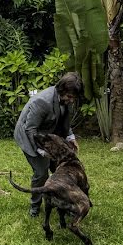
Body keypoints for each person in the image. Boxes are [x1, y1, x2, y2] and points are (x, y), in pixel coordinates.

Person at [13, 72, 84, 217]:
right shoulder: (42, 102)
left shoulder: (66, 100)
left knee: (61, 169)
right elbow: (30, 128)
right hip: (29, 136)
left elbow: (64, 120)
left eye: (74, 98)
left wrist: (70, 137)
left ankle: (66, 204)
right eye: (70, 97)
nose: (71, 101)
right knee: (41, 172)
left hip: (48, 135)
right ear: (61, 90)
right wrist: (40, 150)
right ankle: (35, 207)